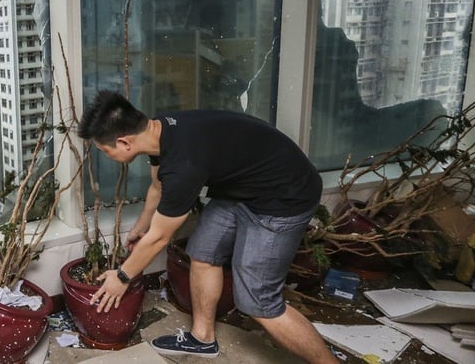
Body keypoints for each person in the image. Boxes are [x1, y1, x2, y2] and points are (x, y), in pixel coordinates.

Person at [78, 90, 337, 363]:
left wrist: (121, 277)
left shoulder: (183, 165)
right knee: (202, 252)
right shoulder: (159, 131)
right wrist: (142, 226)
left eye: (106, 151)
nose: (107, 157)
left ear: (124, 142)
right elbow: (158, 185)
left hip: (284, 197)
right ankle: (202, 338)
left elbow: (160, 238)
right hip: (246, 187)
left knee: (259, 302)